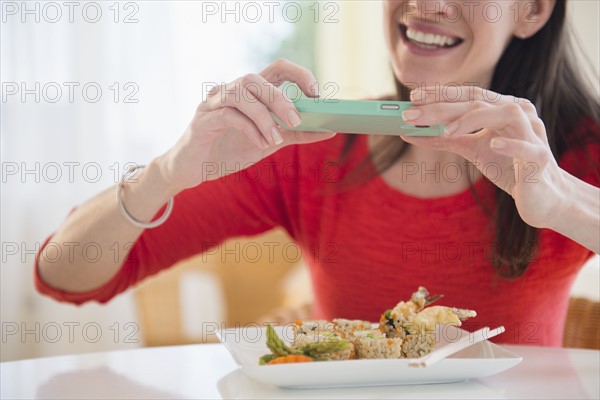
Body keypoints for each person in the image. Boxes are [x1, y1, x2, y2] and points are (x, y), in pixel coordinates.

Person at [36, 0, 599, 346]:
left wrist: (561, 200)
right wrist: (168, 170)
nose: (427, 3)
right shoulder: (311, 149)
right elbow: (63, 274)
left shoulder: (574, 154)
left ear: (533, 10)